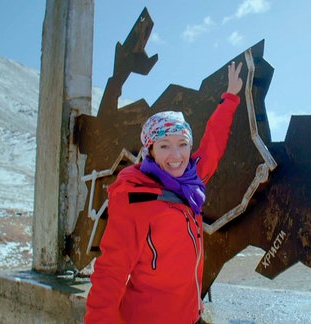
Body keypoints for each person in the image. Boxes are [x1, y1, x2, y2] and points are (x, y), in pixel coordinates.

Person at [84, 61, 243, 324]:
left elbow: (213, 144)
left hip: (190, 316)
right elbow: (110, 273)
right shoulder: (136, 198)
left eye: (182, 144)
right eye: (165, 146)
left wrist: (230, 97)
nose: (176, 155)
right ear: (150, 150)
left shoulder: (190, 180)